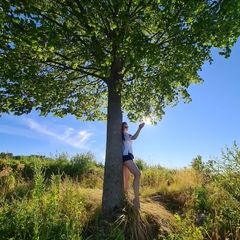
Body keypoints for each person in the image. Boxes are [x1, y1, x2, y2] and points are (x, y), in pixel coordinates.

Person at [122, 121, 145, 210]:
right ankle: (136, 199)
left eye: (127, 127)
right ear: (122, 128)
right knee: (137, 174)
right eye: (125, 127)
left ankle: (127, 197)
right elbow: (134, 137)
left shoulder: (125, 136)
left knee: (126, 179)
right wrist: (139, 128)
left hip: (126, 157)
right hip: (126, 157)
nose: (126, 128)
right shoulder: (125, 134)